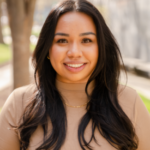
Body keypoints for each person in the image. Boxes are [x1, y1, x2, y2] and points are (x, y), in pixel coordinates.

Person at [0, 0, 150, 149]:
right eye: (62, 40)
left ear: (101, 48)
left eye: (86, 40)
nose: (74, 53)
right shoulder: (19, 104)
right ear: (47, 49)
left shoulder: (130, 103)